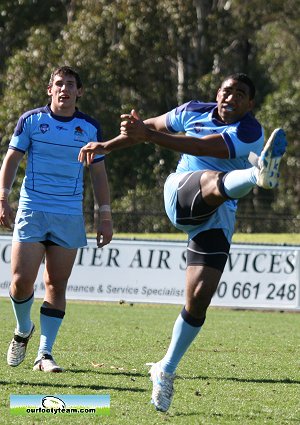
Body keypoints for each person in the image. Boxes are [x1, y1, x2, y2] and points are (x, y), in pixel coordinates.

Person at [78, 73, 287, 411]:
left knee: (199, 298)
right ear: (217, 94)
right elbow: (144, 127)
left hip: (217, 216)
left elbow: (203, 146)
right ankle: (256, 173)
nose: (230, 97)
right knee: (213, 178)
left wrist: (149, 136)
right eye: (226, 91)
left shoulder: (251, 132)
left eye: (240, 94)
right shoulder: (191, 111)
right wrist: (106, 146)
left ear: (251, 104)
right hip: (182, 192)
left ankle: (165, 368)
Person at [0, 66, 113, 373]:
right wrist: (2, 198)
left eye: (71, 84)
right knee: (21, 283)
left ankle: (45, 354)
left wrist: (105, 215)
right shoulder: (32, 120)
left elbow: (98, 173)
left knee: (55, 283)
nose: (64, 89)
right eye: (59, 84)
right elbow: (11, 159)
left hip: (68, 213)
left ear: (80, 92)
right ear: (49, 90)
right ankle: (23, 329)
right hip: (33, 208)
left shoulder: (89, 127)